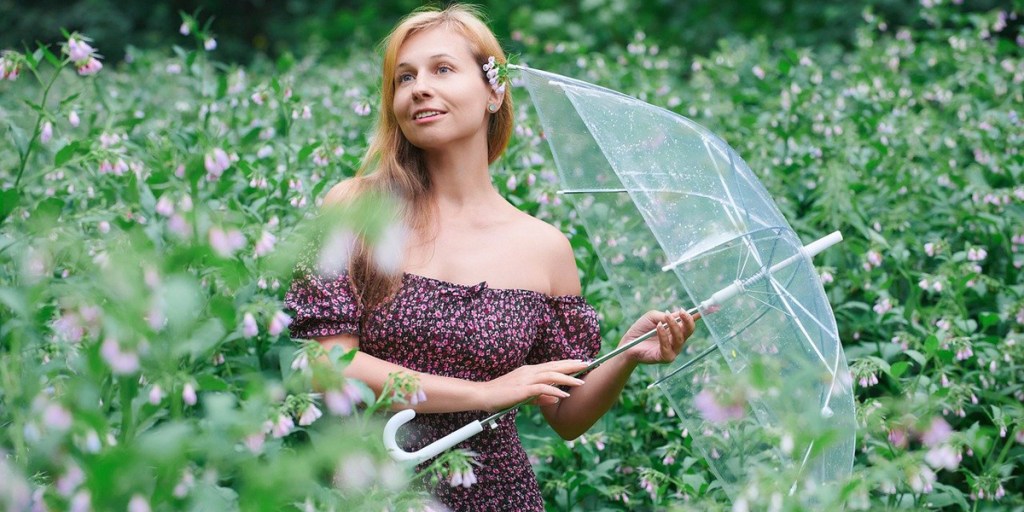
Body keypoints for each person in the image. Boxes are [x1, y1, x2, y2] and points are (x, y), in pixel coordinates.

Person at [284, 4, 697, 510]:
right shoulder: (358, 209)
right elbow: (327, 365)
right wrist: (483, 393)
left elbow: (566, 416)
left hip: (500, 496)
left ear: (494, 92)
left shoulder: (544, 248)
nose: (419, 88)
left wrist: (626, 354)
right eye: (404, 77)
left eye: (442, 69)